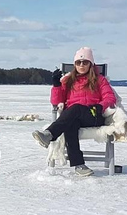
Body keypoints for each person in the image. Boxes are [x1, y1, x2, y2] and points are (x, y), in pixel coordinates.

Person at [32, 47, 116, 176]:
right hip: (73, 116)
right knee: (70, 123)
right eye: (78, 62)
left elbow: (110, 98)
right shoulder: (68, 80)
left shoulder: (99, 80)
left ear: (91, 64)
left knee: (74, 109)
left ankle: (50, 135)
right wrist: (56, 86)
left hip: (93, 115)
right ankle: (79, 165)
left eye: (85, 62)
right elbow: (56, 102)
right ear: (75, 64)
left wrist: (100, 106)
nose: (81, 65)